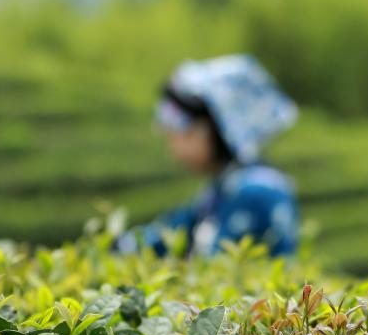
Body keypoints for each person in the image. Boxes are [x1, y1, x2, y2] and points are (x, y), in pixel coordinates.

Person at [114, 54, 300, 258]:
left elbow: (216, 267)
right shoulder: (224, 188)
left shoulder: (256, 192)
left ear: (213, 129)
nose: (171, 142)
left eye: (181, 130)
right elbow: (166, 235)